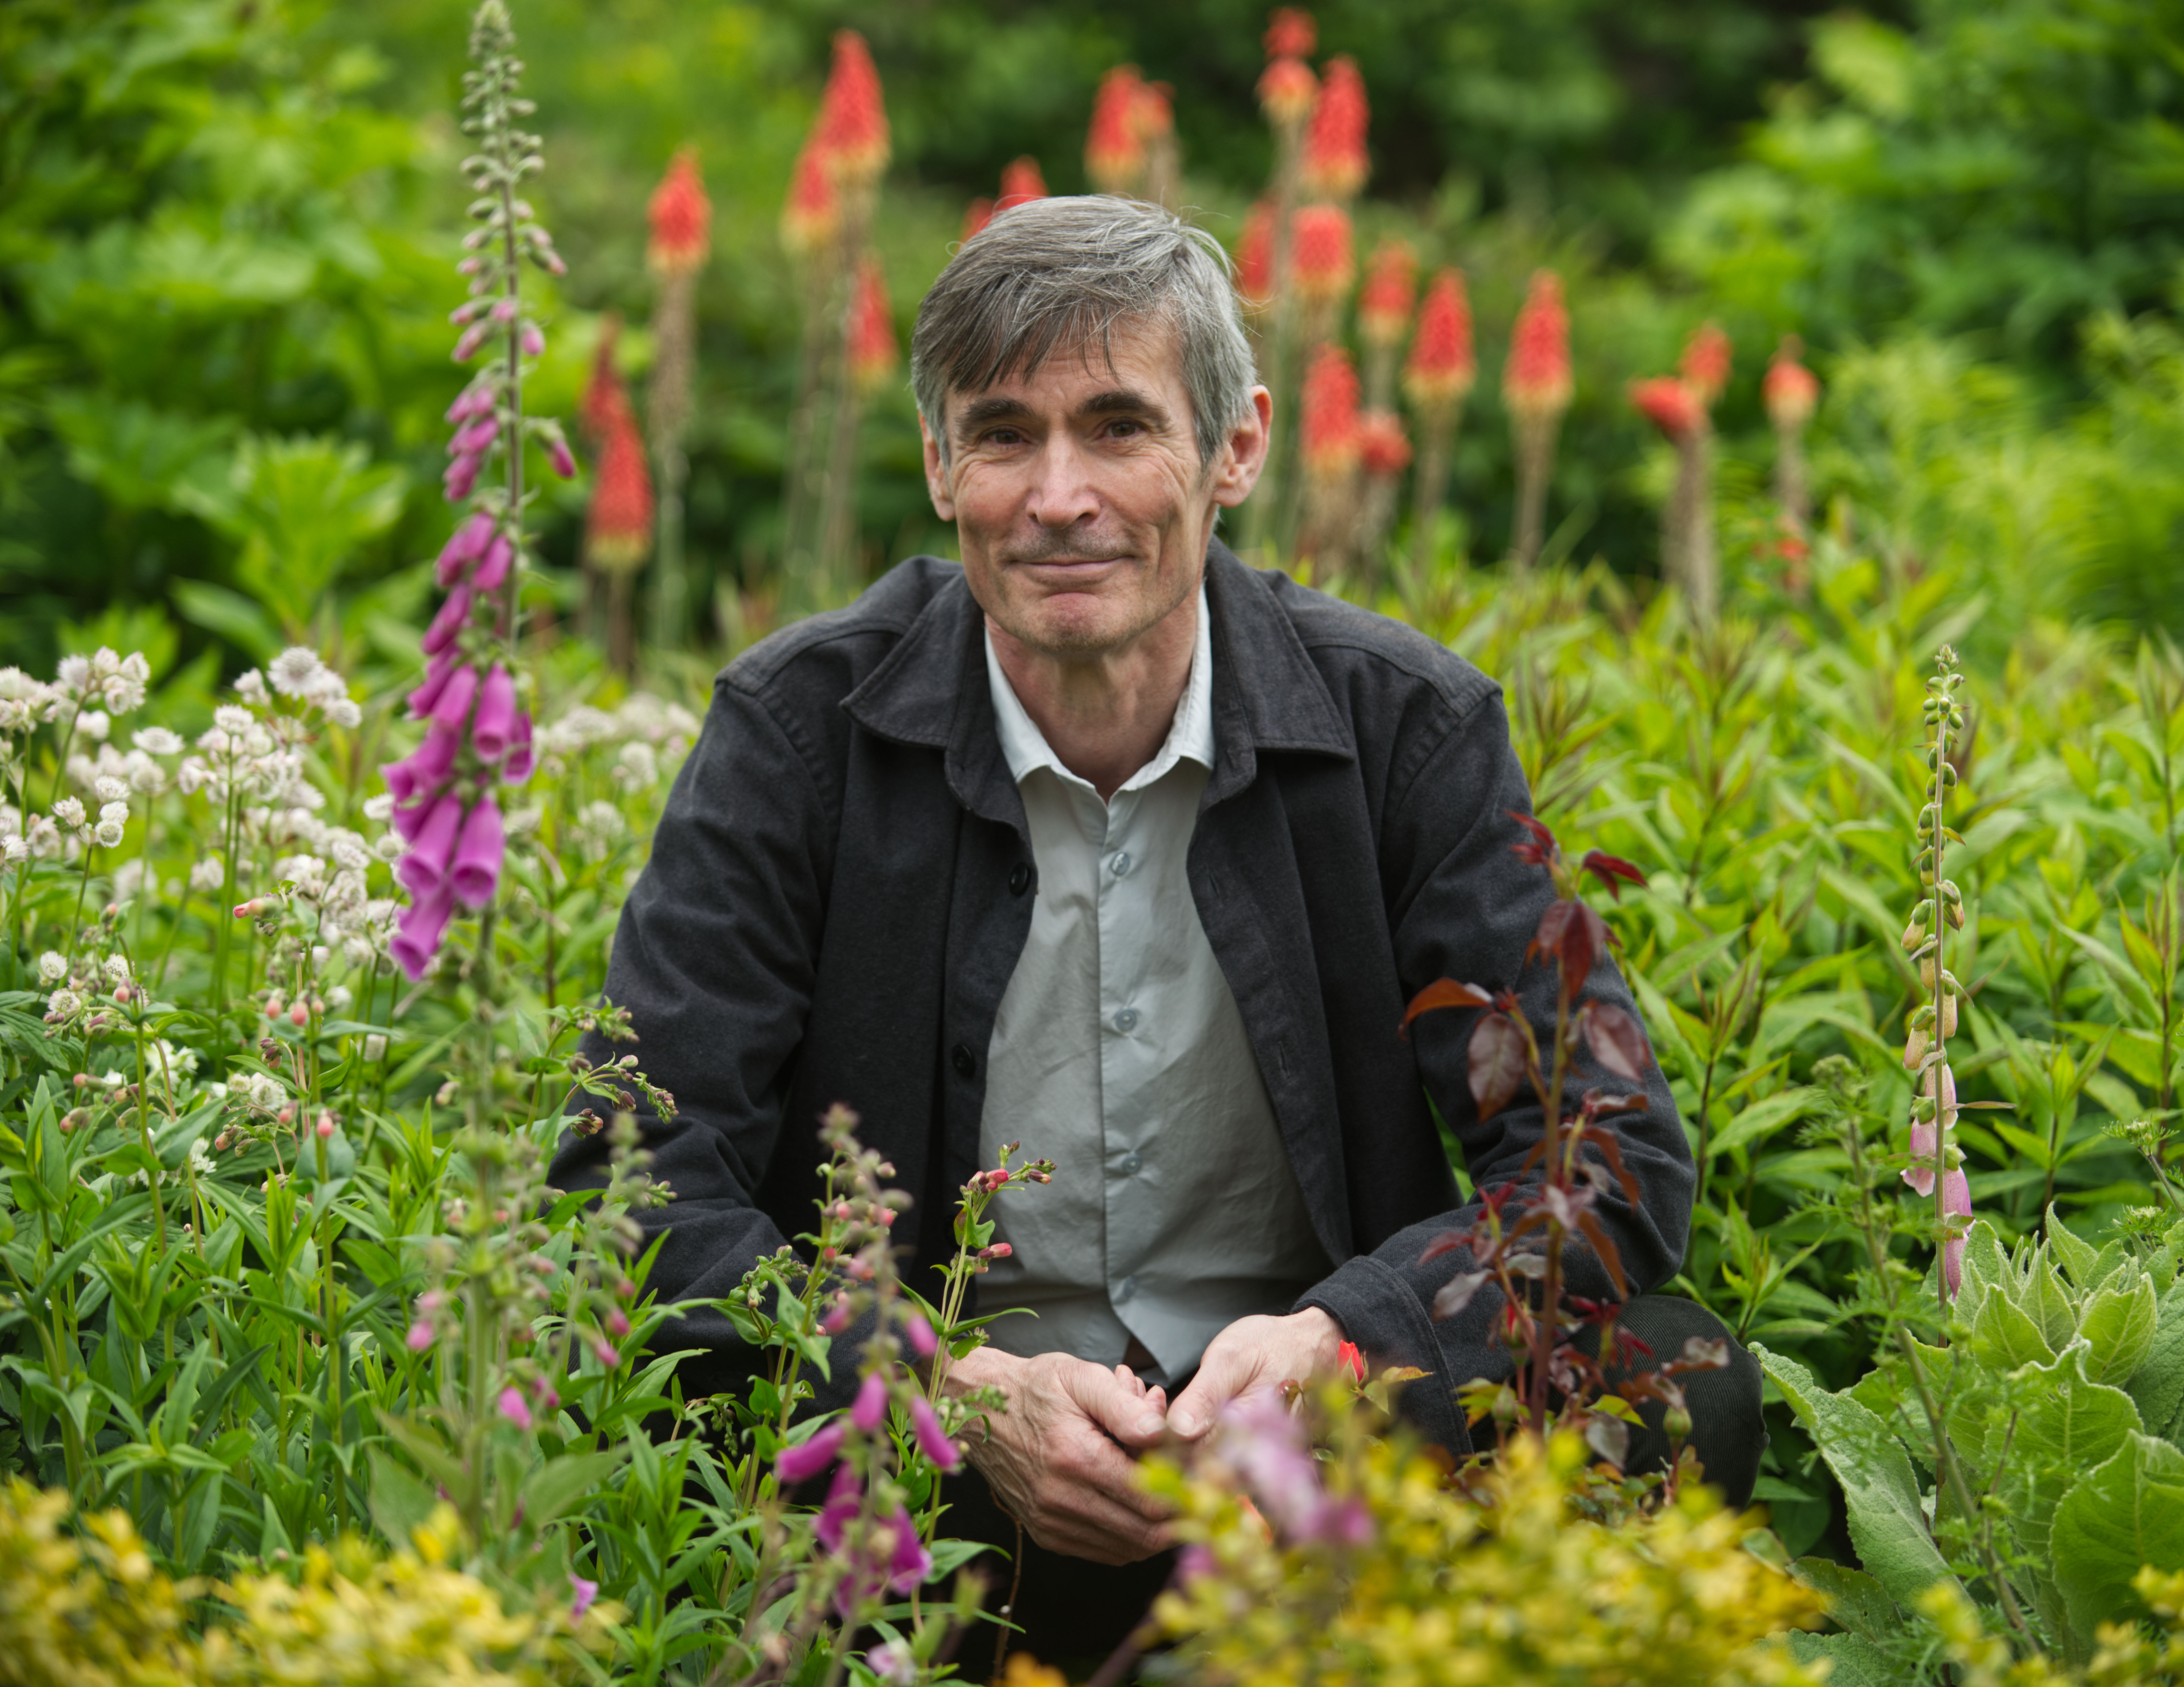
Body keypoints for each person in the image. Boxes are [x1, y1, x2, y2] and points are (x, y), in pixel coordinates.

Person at [552, 195, 1761, 1666]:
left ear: (1237, 446)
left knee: (1675, 1378)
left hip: (1323, 1466)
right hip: (931, 1495)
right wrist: (940, 1386)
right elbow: (627, 1190)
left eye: (1119, 427)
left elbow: (1605, 1152)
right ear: (940, 466)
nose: (1059, 495)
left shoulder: (1403, 729)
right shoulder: (798, 739)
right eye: (1002, 435)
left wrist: (1357, 1339)